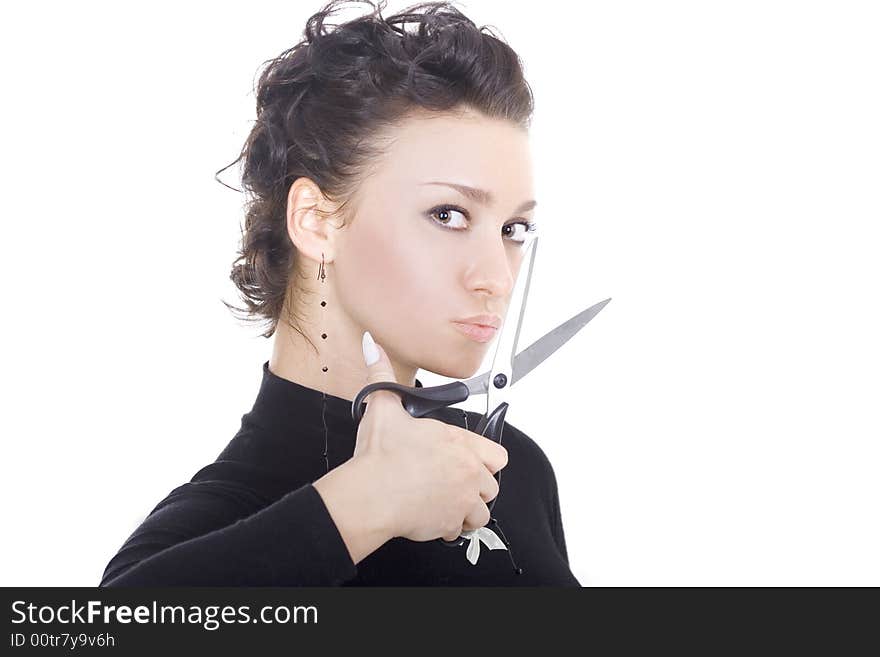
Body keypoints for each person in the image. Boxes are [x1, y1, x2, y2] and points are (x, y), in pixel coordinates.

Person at [99, 0, 579, 586]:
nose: (497, 277)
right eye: (448, 214)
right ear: (317, 221)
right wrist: (363, 506)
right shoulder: (217, 518)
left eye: (513, 230)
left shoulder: (513, 469)